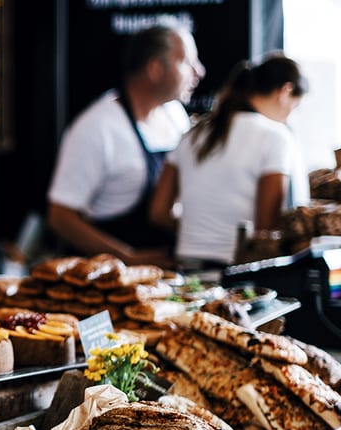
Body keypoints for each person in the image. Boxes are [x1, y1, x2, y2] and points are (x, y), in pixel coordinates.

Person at [46, 21, 205, 266]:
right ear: (154, 69)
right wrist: (128, 258)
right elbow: (60, 217)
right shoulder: (96, 128)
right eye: (186, 62)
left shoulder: (174, 114)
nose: (199, 71)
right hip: (110, 279)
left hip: (169, 273)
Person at [149, 54, 309, 269]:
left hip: (187, 268)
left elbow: (158, 213)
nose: (290, 116)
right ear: (285, 92)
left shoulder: (192, 134)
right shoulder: (276, 137)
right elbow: (266, 228)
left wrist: (200, 231)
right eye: (295, 107)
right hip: (238, 272)